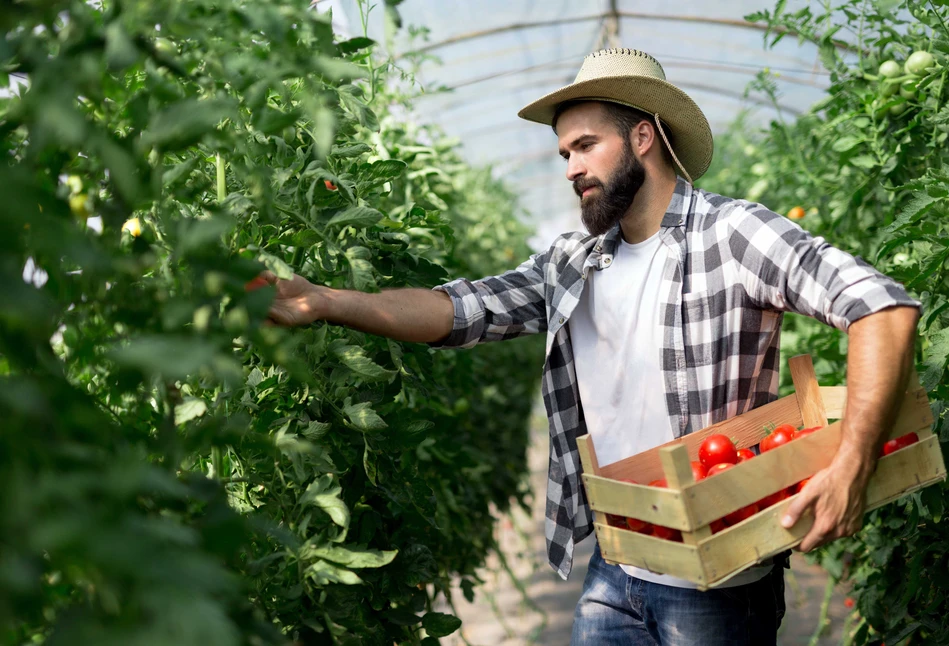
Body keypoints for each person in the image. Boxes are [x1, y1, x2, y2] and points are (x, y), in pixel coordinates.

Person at [262, 48, 921, 645]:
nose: (572, 167)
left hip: (715, 585)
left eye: (584, 146)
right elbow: (455, 310)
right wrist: (327, 301)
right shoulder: (574, 263)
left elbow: (881, 307)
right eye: (563, 154)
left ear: (642, 136)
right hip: (613, 569)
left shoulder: (734, 235)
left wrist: (852, 462)